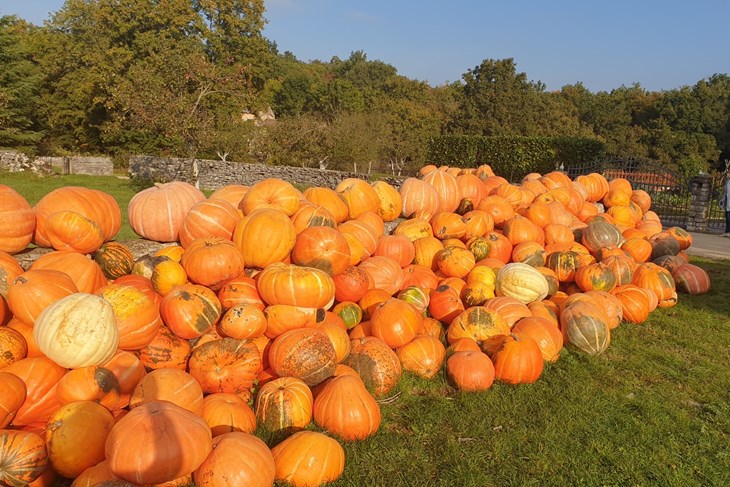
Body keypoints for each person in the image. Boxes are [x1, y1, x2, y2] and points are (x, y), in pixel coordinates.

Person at [722, 164, 730, 237]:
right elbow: (725, 191)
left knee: (729, 217)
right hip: (727, 202)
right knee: (727, 217)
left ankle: (728, 231)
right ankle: (727, 231)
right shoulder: (728, 182)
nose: (728, 174)